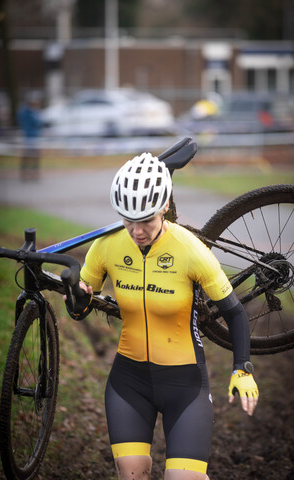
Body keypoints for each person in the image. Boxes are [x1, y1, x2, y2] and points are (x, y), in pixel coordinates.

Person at [67, 153, 259, 480]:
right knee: (130, 474)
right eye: (128, 221)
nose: (137, 231)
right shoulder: (106, 245)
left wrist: (242, 368)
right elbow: (79, 310)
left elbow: (235, 312)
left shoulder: (190, 249)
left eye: (146, 221)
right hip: (129, 383)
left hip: (184, 386)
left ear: (165, 206)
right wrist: (77, 296)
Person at [17, 92, 42, 181]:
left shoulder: (35, 111)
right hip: (27, 137)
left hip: (35, 137)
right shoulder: (25, 111)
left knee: (36, 156)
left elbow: (40, 122)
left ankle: (34, 173)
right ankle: (24, 173)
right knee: (26, 156)